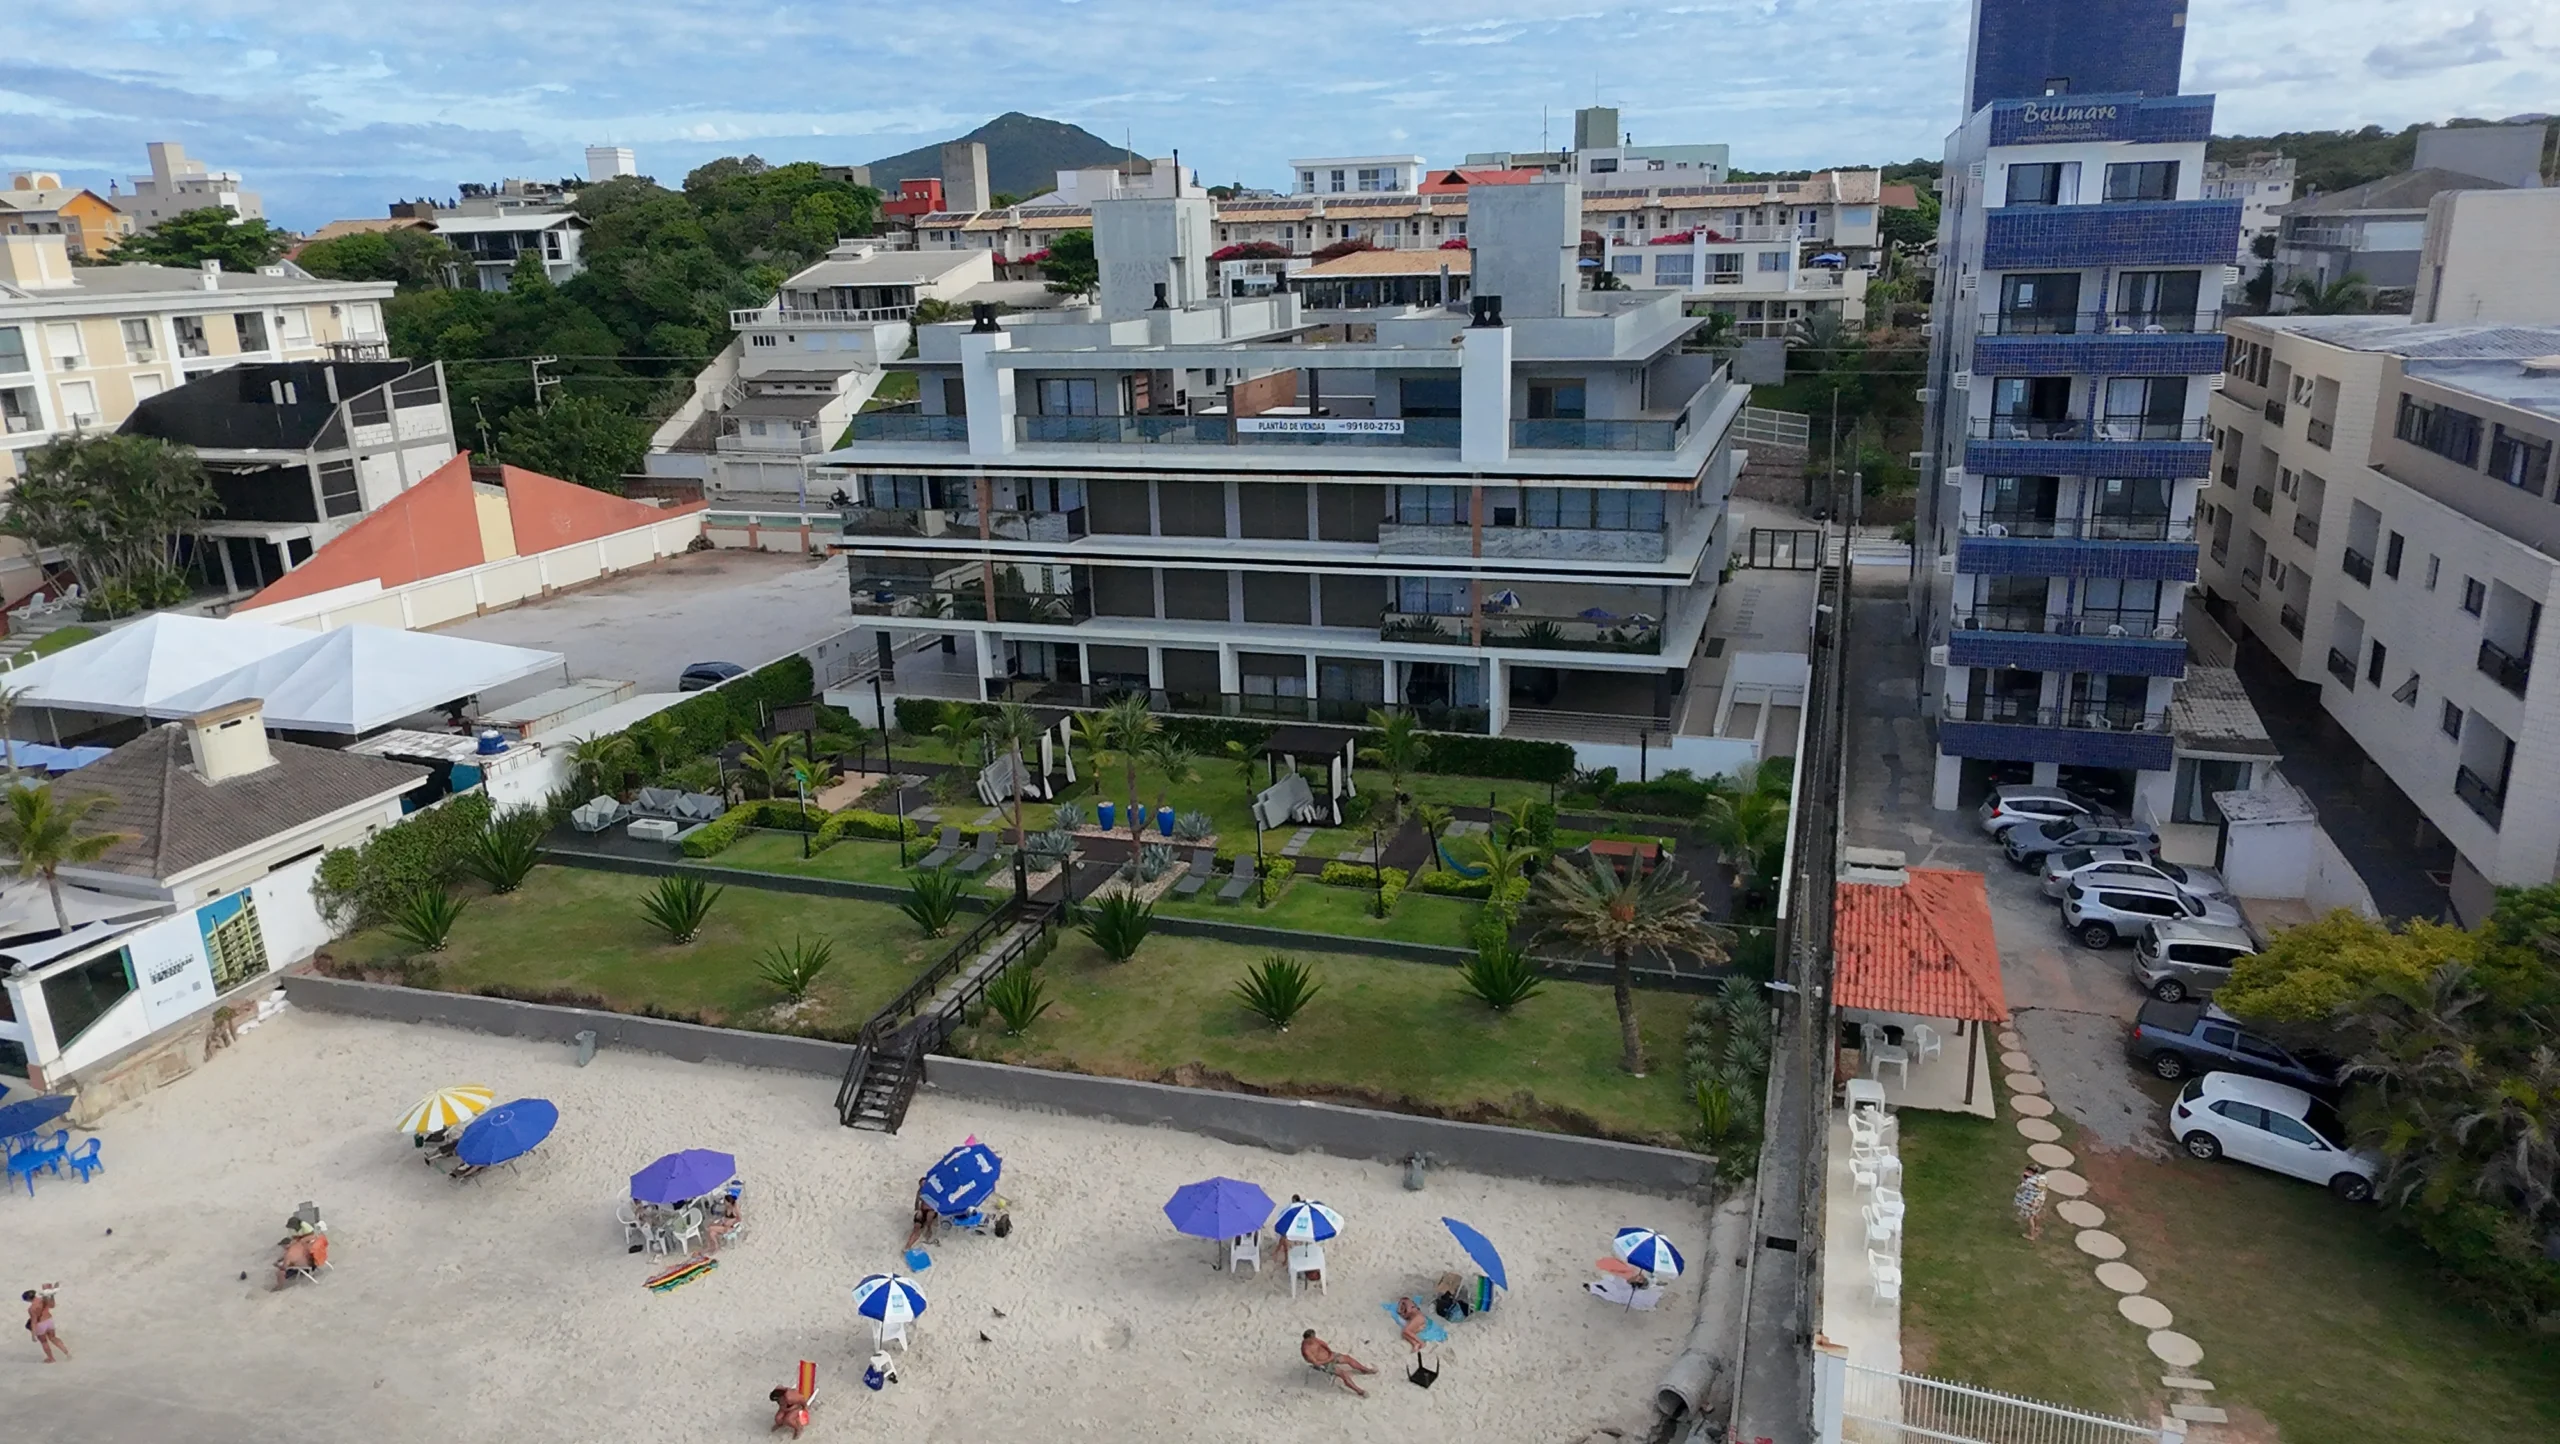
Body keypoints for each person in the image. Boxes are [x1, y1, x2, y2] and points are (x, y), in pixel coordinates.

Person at [1300, 1330, 1377, 1397]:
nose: (1315, 1339)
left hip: (1330, 1356)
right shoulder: (1307, 1351)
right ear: (1308, 1339)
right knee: (1343, 1374)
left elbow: (1324, 1344)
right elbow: (1317, 1363)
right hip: (1324, 1364)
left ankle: (1365, 1370)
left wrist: (1330, 1352)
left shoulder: (1314, 1340)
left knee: (1348, 1358)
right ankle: (1359, 1391)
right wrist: (1329, 1359)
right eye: (1313, 1338)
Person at [23, 1284, 67, 1363]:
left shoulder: (31, 1308)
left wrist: (33, 1335)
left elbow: (34, 1321)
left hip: (41, 1325)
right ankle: (67, 1353)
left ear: (28, 1299)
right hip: (49, 1321)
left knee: (44, 1342)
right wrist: (52, 1296)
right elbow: (52, 1306)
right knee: (53, 1338)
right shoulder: (43, 1299)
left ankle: (51, 1358)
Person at [2014, 1165, 2051, 1240]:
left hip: (2030, 1202)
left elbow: (2021, 1189)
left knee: (2030, 1218)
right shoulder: (2043, 1178)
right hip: (2039, 1200)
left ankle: (2031, 1235)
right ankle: (2037, 1227)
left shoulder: (2029, 1181)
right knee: (2035, 1214)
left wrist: (2023, 1179)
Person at [902, 1189, 939, 1253]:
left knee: (930, 1215)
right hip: (922, 1211)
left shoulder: (935, 1192)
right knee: (916, 1228)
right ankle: (908, 1246)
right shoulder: (921, 1192)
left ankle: (928, 1229)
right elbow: (916, 1206)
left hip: (931, 1212)